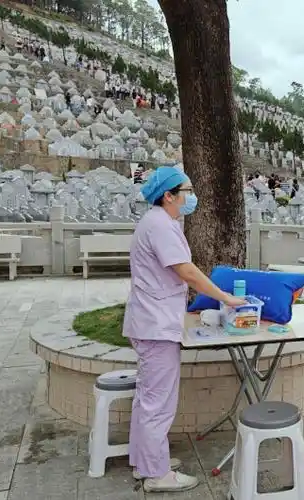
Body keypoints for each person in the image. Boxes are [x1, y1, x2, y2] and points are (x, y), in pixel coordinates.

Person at [124, 167, 245, 493]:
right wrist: (225, 297)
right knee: (158, 402)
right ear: (169, 195)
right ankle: (157, 474)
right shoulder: (160, 226)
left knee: (148, 398)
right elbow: (187, 272)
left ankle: (145, 462)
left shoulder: (159, 222)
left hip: (152, 320)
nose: (192, 197)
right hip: (155, 325)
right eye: (187, 191)